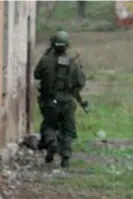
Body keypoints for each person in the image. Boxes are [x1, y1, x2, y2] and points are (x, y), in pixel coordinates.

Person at [33, 30, 86, 168]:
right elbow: (80, 82)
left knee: (49, 126)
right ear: (67, 46)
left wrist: (46, 55)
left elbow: (37, 75)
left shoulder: (45, 60)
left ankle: (52, 144)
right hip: (68, 102)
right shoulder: (73, 63)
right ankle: (66, 157)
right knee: (68, 129)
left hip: (50, 102)